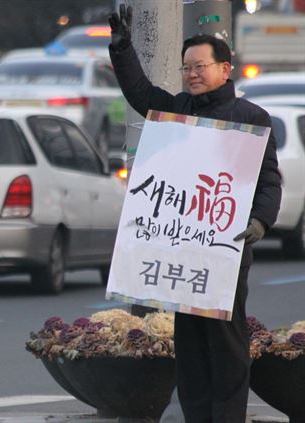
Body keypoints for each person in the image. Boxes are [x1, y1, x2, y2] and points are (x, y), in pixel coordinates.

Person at [107, 5, 282, 423]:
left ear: (225, 68)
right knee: (190, 346)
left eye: (200, 66)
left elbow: (269, 182)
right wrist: (123, 48)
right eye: (186, 68)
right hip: (184, 254)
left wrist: (258, 222)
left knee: (226, 343)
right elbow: (142, 96)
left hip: (227, 252)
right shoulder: (181, 111)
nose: (192, 74)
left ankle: (227, 417)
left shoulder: (251, 119)